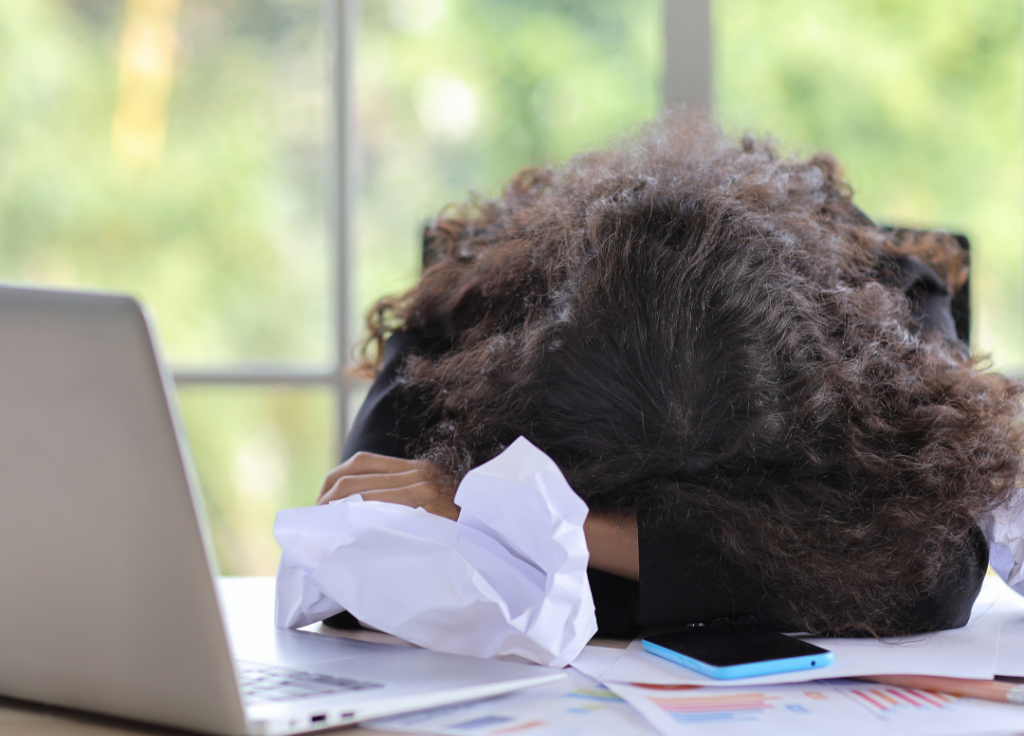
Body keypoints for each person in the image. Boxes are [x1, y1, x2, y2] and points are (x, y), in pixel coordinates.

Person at [317, 113, 1024, 638]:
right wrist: (737, 575)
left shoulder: (888, 318)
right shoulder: (467, 315)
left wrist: (537, 521)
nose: (676, 514)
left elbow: (934, 578)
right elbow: (360, 562)